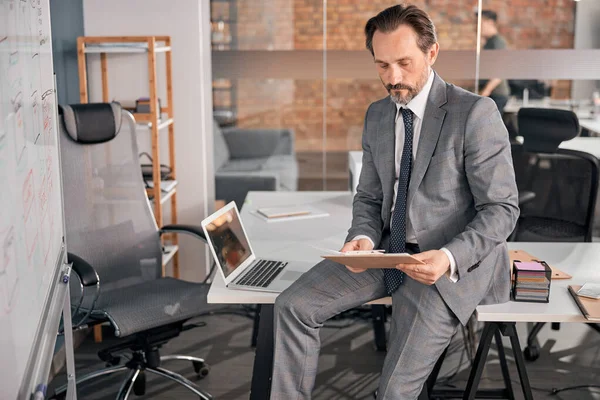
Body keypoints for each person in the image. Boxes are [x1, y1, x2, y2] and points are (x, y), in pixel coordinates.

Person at [271, 4, 519, 399]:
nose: (393, 77)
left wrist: (449, 256)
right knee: (292, 307)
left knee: (394, 391)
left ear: (431, 53)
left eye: (404, 62)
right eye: (382, 65)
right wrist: (363, 239)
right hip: (388, 250)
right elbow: (369, 197)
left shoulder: (474, 113)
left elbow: (502, 209)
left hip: (444, 263)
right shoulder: (377, 116)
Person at [478, 10, 511, 113]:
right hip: (492, 94)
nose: (477, 26)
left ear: (491, 22)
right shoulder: (489, 42)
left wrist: (485, 92)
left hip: (497, 94)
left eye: (480, 23)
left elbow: (499, 72)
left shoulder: (498, 42)